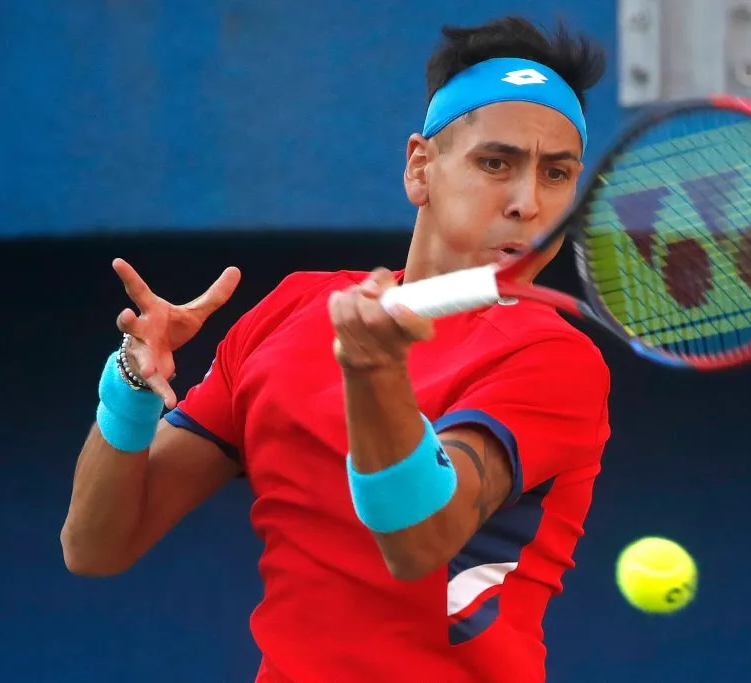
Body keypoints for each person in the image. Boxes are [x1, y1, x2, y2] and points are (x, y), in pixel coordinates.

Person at [60, 16, 611, 683]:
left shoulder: (553, 359)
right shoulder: (291, 312)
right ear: (420, 168)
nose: (528, 202)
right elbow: (97, 546)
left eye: (557, 174)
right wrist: (131, 382)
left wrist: (374, 372)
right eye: (495, 163)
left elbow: (418, 540)